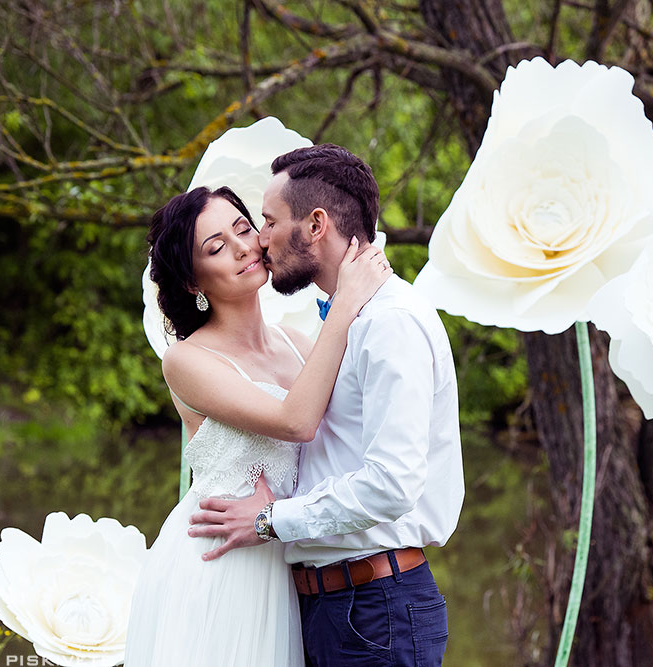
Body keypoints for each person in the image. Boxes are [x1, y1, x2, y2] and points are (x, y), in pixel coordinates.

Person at [187, 144, 465, 666]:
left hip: (375, 607)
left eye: (267, 222)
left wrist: (271, 520)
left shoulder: (389, 324)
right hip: (330, 606)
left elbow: (392, 483)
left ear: (315, 225)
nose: (260, 239)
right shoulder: (339, 323)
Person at [123, 184, 392, 667]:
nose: (243, 247)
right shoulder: (186, 360)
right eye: (216, 247)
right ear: (192, 282)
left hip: (280, 560)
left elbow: (344, 436)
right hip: (214, 566)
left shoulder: (296, 343)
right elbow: (297, 422)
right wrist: (346, 301)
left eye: (244, 229)